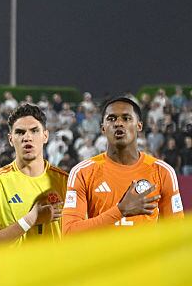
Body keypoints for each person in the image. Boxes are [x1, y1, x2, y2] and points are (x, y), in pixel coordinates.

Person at [63, 97, 183, 234]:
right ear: (103, 128)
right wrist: (120, 211)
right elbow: (68, 232)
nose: (118, 123)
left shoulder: (162, 171)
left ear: (139, 125)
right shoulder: (82, 172)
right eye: (111, 119)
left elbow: (176, 232)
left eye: (126, 118)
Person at [0, 104, 67, 246]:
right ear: (11, 139)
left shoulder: (66, 181)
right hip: (12, 268)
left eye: (34, 131)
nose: (27, 137)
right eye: (20, 132)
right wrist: (30, 220)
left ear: (45, 136)